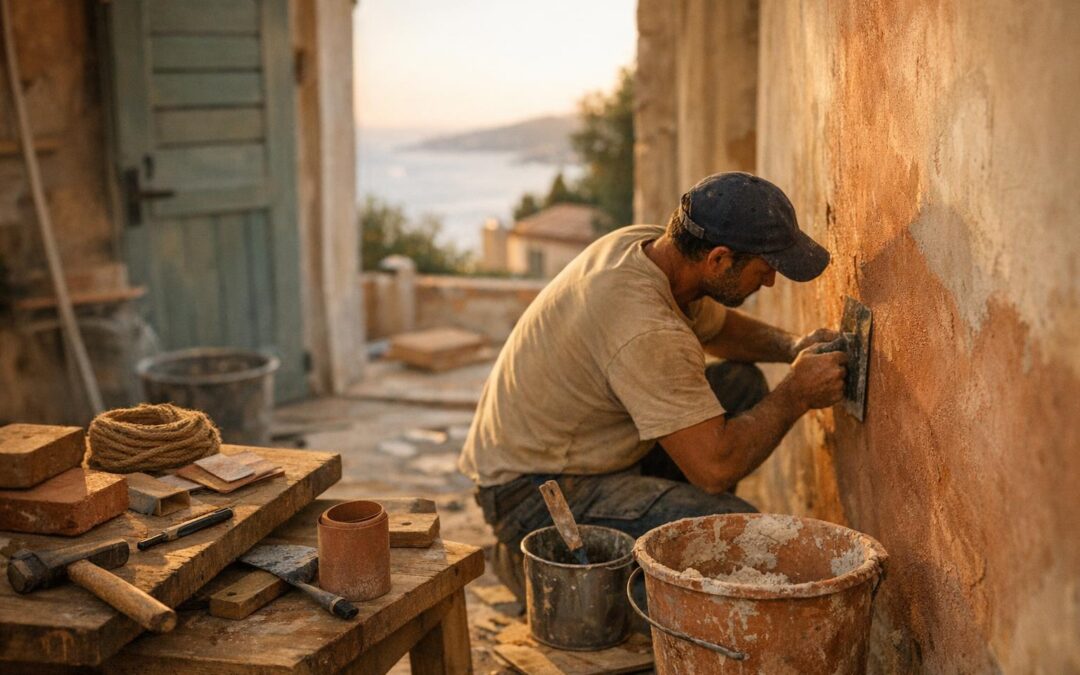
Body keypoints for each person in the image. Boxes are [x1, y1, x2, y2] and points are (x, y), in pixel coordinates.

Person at [458, 172, 848, 599]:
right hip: (536, 495)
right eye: (766, 268)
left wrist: (791, 346)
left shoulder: (649, 250)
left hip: (577, 454)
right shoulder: (645, 328)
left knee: (739, 383)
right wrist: (797, 394)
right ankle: (556, 580)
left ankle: (653, 548)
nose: (770, 281)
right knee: (741, 541)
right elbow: (714, 469)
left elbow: (717, 330)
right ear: (718, 259)